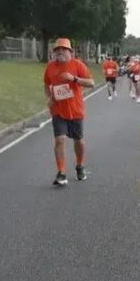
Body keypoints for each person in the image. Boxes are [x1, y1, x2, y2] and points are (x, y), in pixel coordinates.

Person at [43, 38, 95, 186]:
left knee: (78, 140)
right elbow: (47, 84)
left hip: (75, 110)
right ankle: (61, 172)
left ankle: (79, 165)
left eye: (63, 49)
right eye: (57, 49)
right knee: (59, 139)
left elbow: (91, 83)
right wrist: (49, 98)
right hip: (58, 110)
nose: (60, 52)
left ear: (70, 52)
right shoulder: (50, 67)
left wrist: (74, 79)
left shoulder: (77, 65)